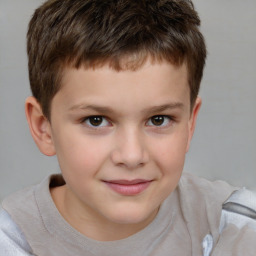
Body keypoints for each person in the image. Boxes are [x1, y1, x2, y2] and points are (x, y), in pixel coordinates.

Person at [0, 0, 256, 255]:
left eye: (159, 119)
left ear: (190, 123)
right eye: (96, 120)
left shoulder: (233, 226)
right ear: (43, 127)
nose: (132, 156)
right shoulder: (11, 241)